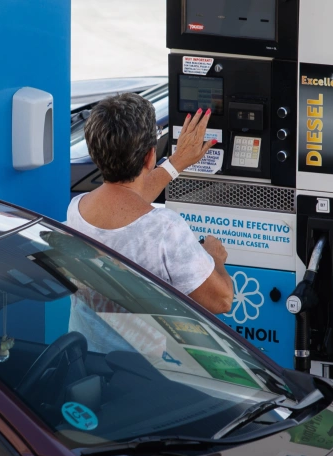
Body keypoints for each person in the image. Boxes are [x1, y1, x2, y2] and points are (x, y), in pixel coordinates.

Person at [66, 93, 234, 314]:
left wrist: (176, 163)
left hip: (85, 346)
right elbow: (221, 300)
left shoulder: (77, 209)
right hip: (141, 351)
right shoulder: (165, 228)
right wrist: (215, 258)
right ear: (149, 156)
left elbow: (127, 202)